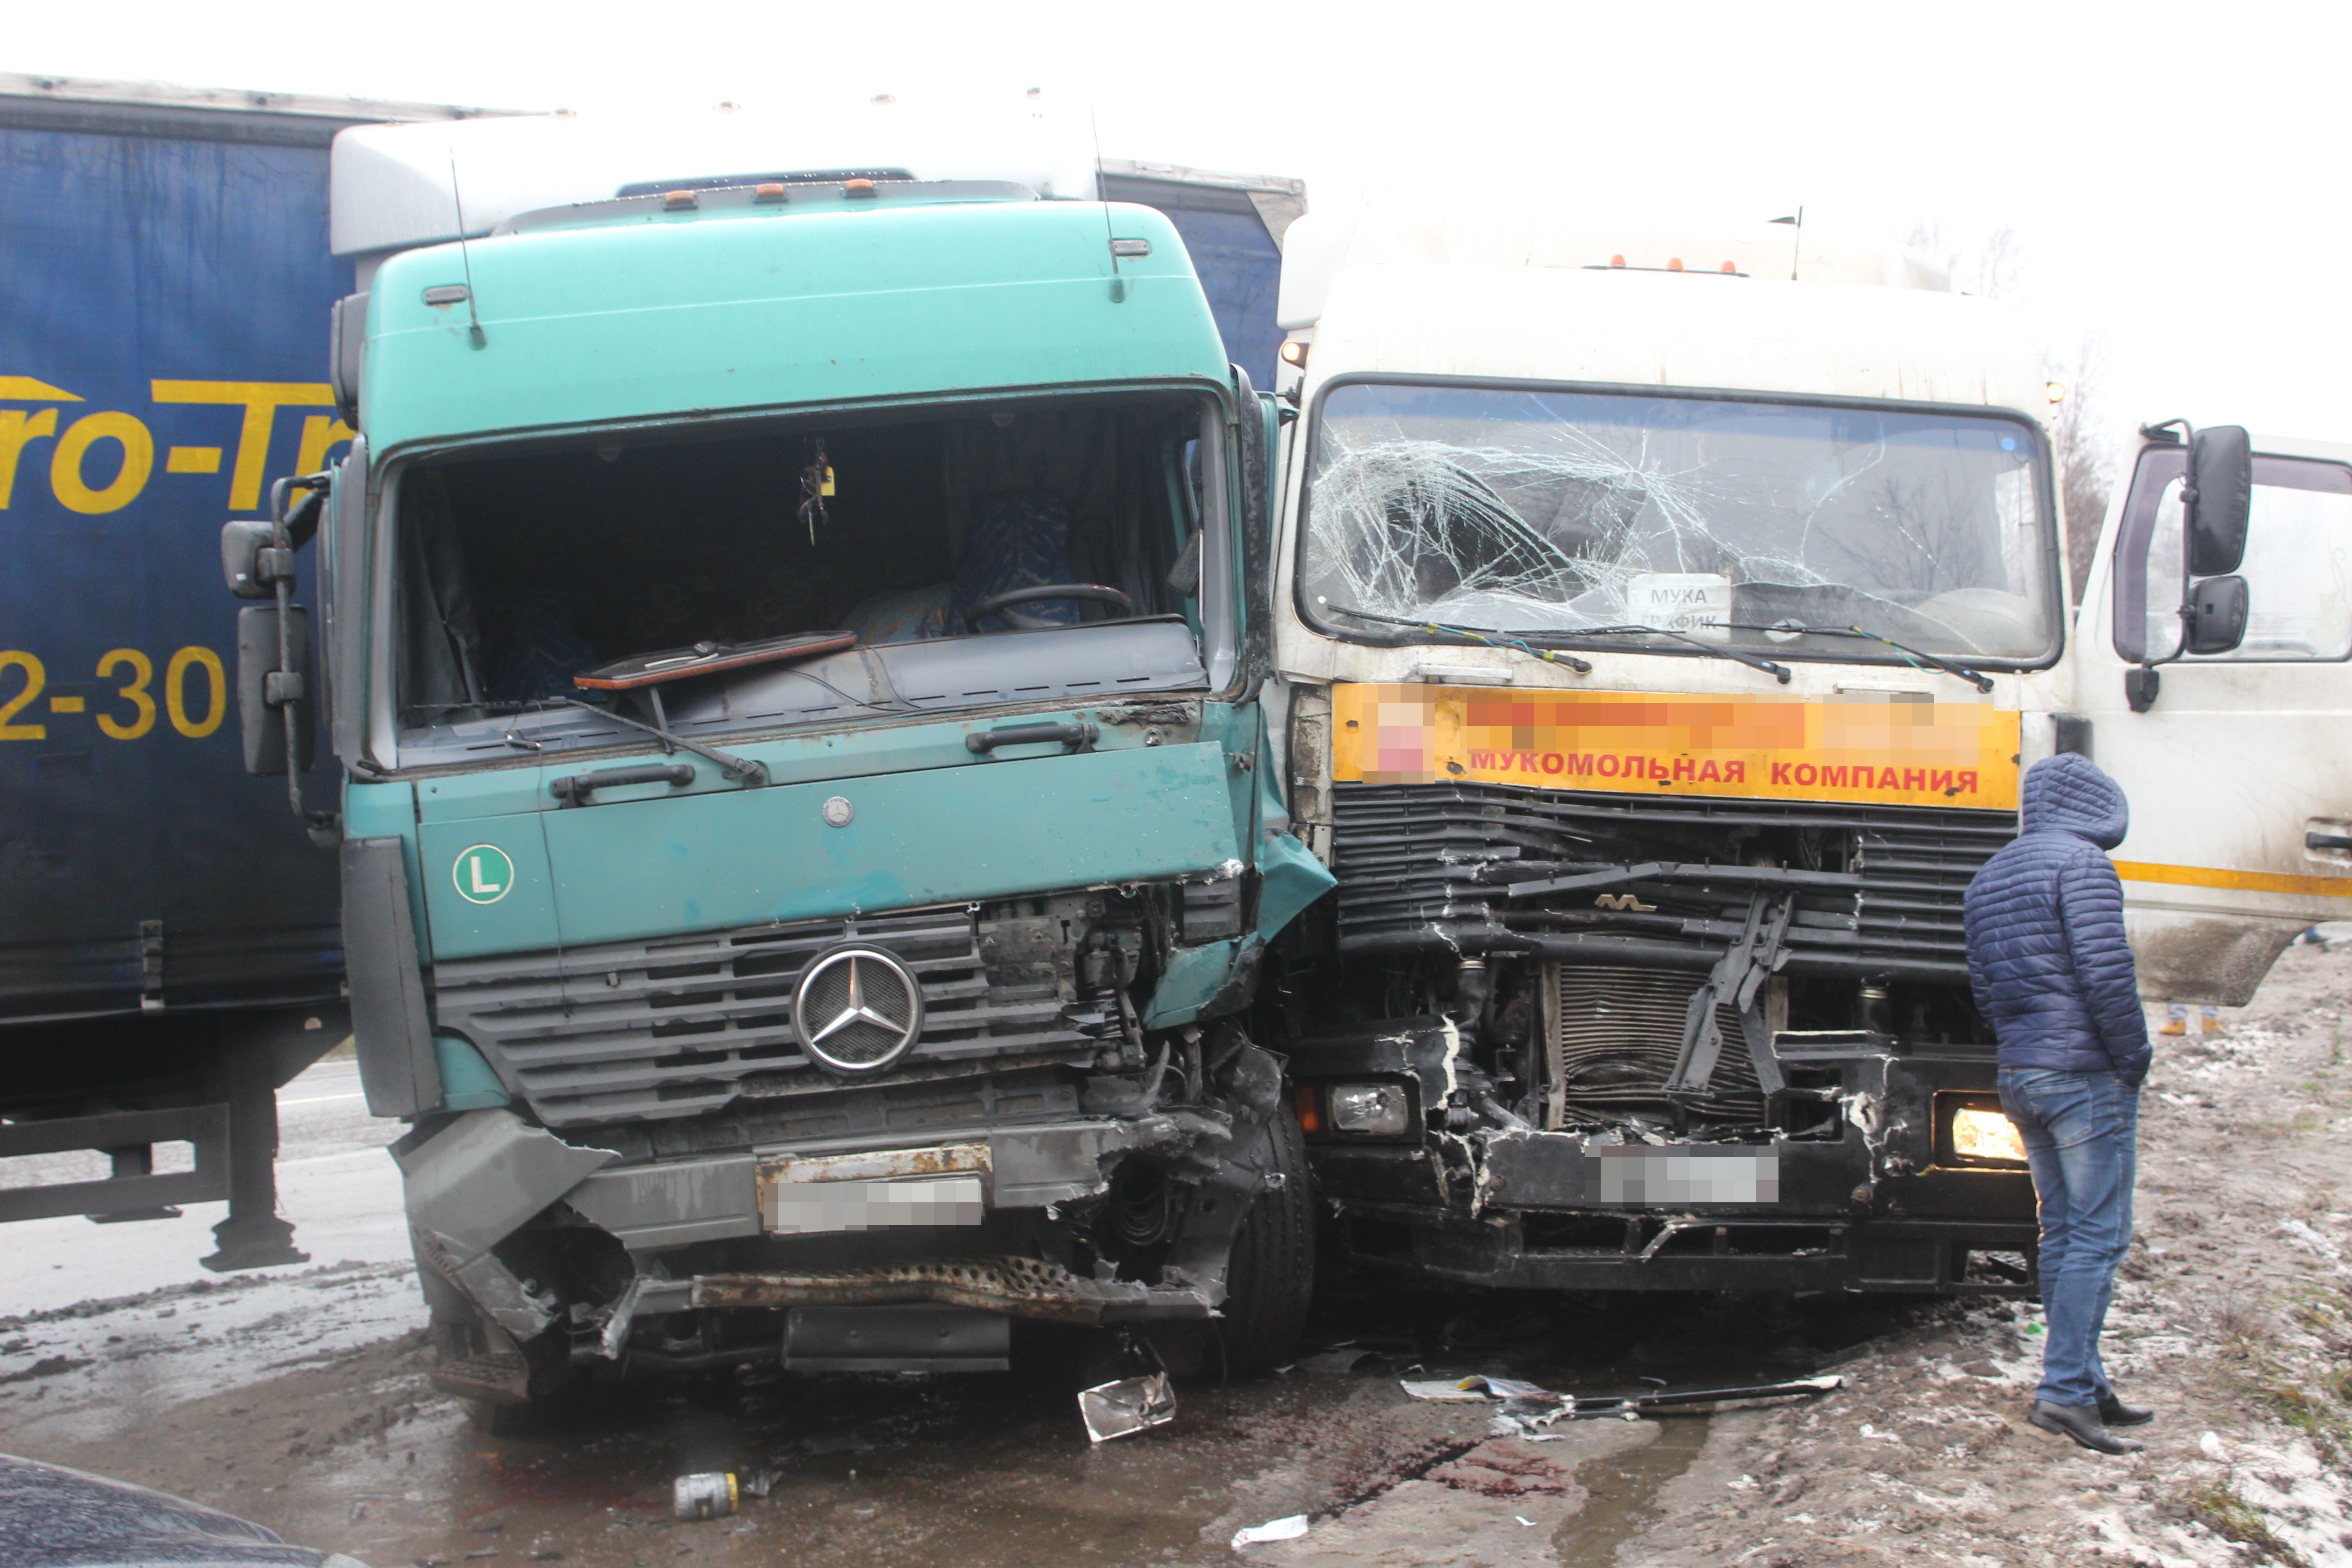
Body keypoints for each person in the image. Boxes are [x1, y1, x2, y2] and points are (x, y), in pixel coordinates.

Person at [1962, 753, 2155, 1455]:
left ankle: (2087, 1379)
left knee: (2064, 1233)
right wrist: (2133, 1058)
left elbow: (1984, 989)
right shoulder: (2083, 865)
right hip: (2084, 1075)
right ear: (2099, 806)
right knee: (2098, 1235)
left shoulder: (1992, 875)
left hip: (2023, 1071)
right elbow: (2108, 974)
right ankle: (2066, 1394)